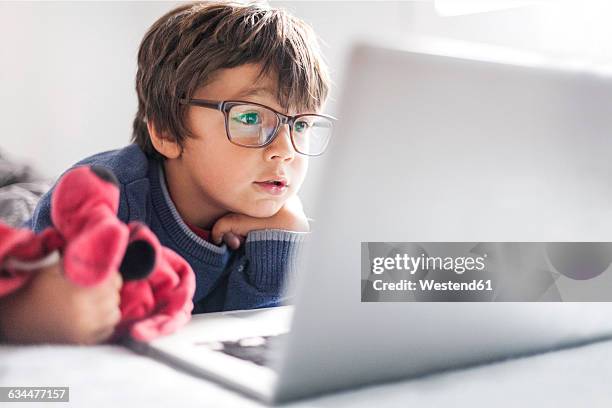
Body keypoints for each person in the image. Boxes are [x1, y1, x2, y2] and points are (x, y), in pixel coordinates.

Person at [6, 1, 333, 344]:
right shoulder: (105, 206)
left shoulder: (272, 219)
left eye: (302, 124)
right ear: (165, 130)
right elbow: (28, 300)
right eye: (250, 118)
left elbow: (239, 334)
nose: (286, 149)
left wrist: (283, 245)